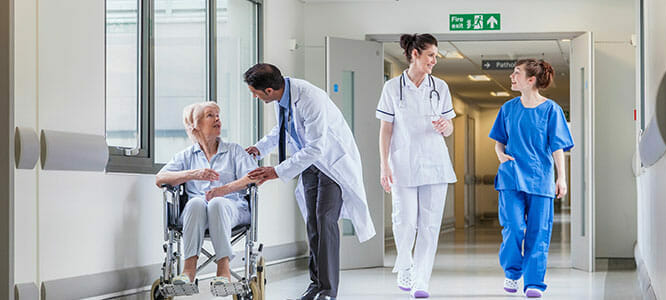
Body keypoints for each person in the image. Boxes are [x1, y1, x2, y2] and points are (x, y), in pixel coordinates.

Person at [242, 63, 375, 300]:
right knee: (313, 223)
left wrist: (277, 171)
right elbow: (282, 129)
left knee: (325, 220)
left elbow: (317, 147)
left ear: (269, 90)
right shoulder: (282, 98)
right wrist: (259, 148)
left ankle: (328, 290)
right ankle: (316, 284)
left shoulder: (310, 97)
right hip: (310, 164)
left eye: (254, 91)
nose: (253, 95)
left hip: (332, 165)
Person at [376, 33, 457, 299]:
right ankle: (405, 265)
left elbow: (449, 126)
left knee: (430, 226)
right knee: (405, 222)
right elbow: (385, 130)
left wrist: (446, 126)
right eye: (430, 55)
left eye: (435, 55)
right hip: (403, 164)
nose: (434, 60)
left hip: (435, 164)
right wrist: (384, 165)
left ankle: (422, 280)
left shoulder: (440, 87)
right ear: (414, 54)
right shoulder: (392, 88)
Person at [489, 59, 574, 298]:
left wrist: (562, 178)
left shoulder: (551, 110)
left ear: (531, 80)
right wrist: (500, 155)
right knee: (514, 227)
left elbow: (558, 147)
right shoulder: (507, 108)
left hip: (540, 178)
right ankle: (512, 272)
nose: (512, 77)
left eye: (517, 73)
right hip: (511, 177)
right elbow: (499, 141)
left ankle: (534, 282)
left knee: (538, 232)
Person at [155, 102, 257, 297]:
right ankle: (188, 271)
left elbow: (255, 177)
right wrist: (193, 174)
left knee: (217, 202)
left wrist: (225, 189)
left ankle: (224, 270)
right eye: (210, 115)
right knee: (195, 202)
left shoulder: (234, 151)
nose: (217, 119)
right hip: (197, 214)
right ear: (196, 125)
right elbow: (160, 178)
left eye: (218, 115)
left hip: (232, 208)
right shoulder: (186, 156)